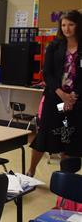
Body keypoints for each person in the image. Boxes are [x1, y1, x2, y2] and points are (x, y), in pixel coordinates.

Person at [29, 10, 82, 176]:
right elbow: (47, 73)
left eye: (71, 24)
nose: (67, 29)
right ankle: (31, 170)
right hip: (55, 99)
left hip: (74, 101)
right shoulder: (55, 45)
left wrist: (74, 95)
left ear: (78, 25)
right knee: (46, 133)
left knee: (68, 135)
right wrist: (62, 94)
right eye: (64, 25)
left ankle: (65, 176)